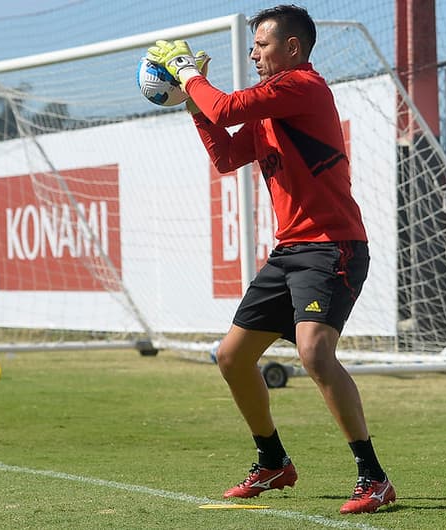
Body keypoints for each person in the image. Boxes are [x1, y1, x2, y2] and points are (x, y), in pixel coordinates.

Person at [146, 4, 395, 515]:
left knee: (315, 354)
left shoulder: (303, 87)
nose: (253, 53)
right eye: (254, 45)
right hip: (290, 252)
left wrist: (188, 74)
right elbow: (225, 156)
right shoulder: (270, 109)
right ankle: (273, 461)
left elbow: (227, 107)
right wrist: (193, 103)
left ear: (293, 49)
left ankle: (373, 477)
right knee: (232, 357)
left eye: (261, 45)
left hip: (333, 247)